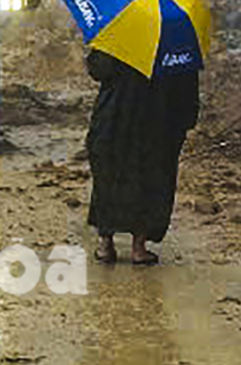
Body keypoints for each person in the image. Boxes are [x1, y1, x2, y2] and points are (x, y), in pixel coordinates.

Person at [85, 48, 200, 265]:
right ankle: (139, 247)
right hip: (158, 120)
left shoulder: (119, 35)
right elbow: (187, 86)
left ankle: (105, 244)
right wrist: (186, 120)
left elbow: (98, 70)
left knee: (108, 177)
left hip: (114, 118)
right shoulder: (175, 41)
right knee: (151, 180)